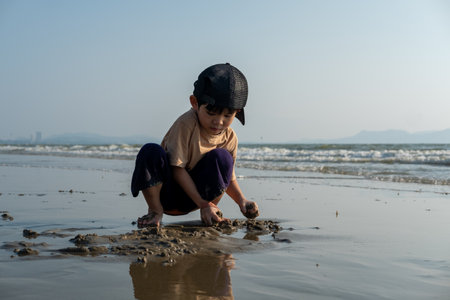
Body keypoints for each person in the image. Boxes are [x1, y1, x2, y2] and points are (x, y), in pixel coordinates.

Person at [131, 63, 259, 227]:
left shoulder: (230, 137)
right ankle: (155, 212)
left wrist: (242, 201)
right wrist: (202, 203)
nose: (218, 122)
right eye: (211, 113)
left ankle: (211, 212)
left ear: (237, 112)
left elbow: (228, 177)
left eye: (227, 115)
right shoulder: (186, 124)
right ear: (195, 102)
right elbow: (177, 168)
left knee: (222, 157)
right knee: (150, 151)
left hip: (199, 201)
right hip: (168, 195)